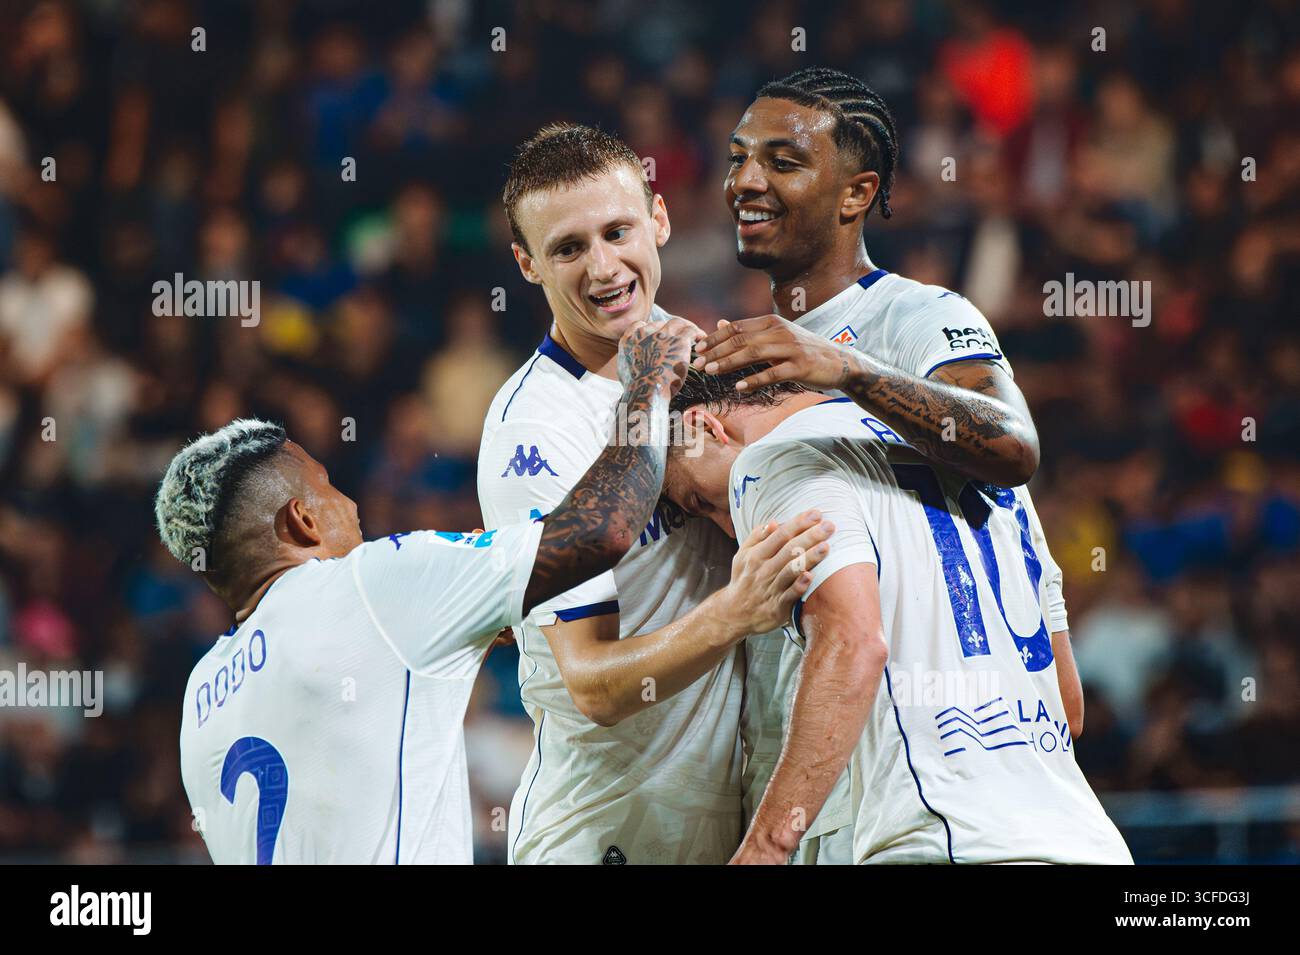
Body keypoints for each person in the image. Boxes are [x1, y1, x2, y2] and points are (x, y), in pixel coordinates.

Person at [162, 319, 827, 864]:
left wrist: (483, 614)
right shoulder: (371, 583)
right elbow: (601, 529)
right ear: (301, 520)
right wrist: (650, 382)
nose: (353, 504)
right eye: (330, 486)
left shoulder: (200, 696)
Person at [690, 66, 1078, 862]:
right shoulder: (747, 364)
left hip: (923, 821)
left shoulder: (917, 313)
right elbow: (1065, 705)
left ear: (856, 193)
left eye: (783, 162)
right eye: (737, 159)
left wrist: (847, 371)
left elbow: (1012, 444)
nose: (747, 181)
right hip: (948, 813)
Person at [479, 123, 814, 864]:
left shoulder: (713, 356)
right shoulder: (532, 433)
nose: (603, 267)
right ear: (527, 264)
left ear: (658, 221)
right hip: (603, 831)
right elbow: (592, 686)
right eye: (568, 247)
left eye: (617, 231)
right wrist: (735, 610)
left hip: (731, 818)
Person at [663, 367, 1130, 864]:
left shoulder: (771, 460)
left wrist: (765, 846)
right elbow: (1067, 706)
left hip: (947, 840)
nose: (728, 527)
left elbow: (854, 645)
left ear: (701, 426)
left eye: (703, 500)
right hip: (1085, 840)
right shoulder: (990, 461)